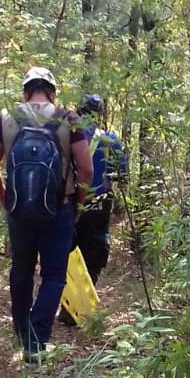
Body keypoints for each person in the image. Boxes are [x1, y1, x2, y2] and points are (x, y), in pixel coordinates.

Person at [0, 67, 92, 362]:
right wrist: (78, 204)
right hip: (60, 208)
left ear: (26, 90)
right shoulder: (68, 119)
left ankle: (21, 331)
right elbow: (87, 169)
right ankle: (36, 339)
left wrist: (6, 199)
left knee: (21, 270)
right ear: (52, 91)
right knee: (54, 275)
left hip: (19, 211)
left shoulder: (6, 118)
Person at [59, 94, 127, 325]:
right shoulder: (109, 140)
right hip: (99, 203)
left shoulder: (65, 137)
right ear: (98, 114)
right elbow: (122, 174)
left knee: (66, 254)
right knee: (94, 254)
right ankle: (81, 309)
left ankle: (65, 305)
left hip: (68, 202)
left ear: (78, 112)